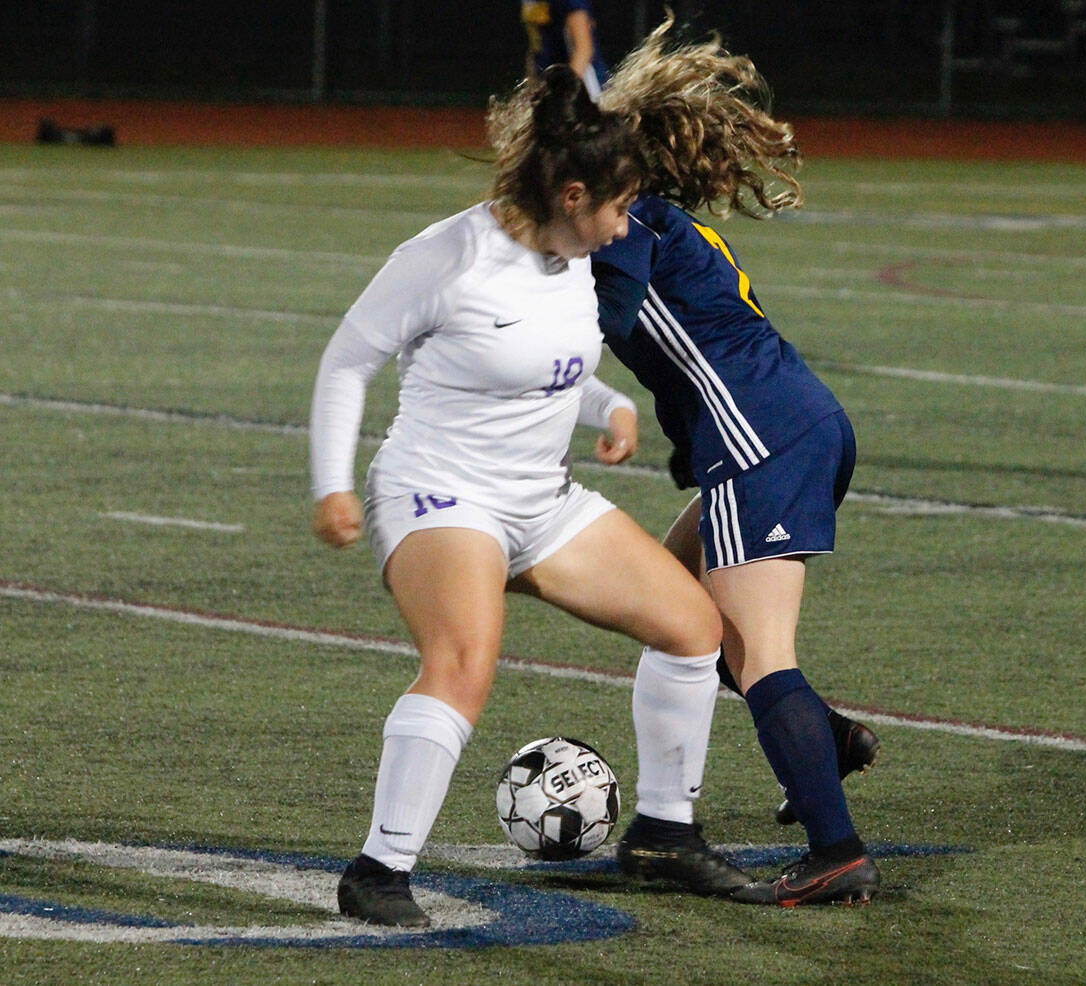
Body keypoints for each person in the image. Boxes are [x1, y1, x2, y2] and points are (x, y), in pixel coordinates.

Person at [309, 65, 748, 927]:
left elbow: (544, 366)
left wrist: (609, 401)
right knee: (465, 664)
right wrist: (330, 484)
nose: (625, 225)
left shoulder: (571, 253)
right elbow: (347, 362)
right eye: (618, 207)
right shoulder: (448, 256)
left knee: (692, 626)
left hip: (542, 504)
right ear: (571, 192)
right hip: (443, 497)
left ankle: (665, 833)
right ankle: (378, 869)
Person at [593, 20, 881, 905]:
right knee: (676, 602)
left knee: (757, 652)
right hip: (793, 425)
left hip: (764, 440)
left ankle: (835, 849)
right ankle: (820, 739)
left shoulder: (631, 213)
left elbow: (608, 317)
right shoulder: (667, 219)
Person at [521, 0, 610, 100]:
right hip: (552, 87)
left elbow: (584, 50)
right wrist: (533, 86)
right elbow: (537, 44)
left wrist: (561, 97)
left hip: (584, 92)